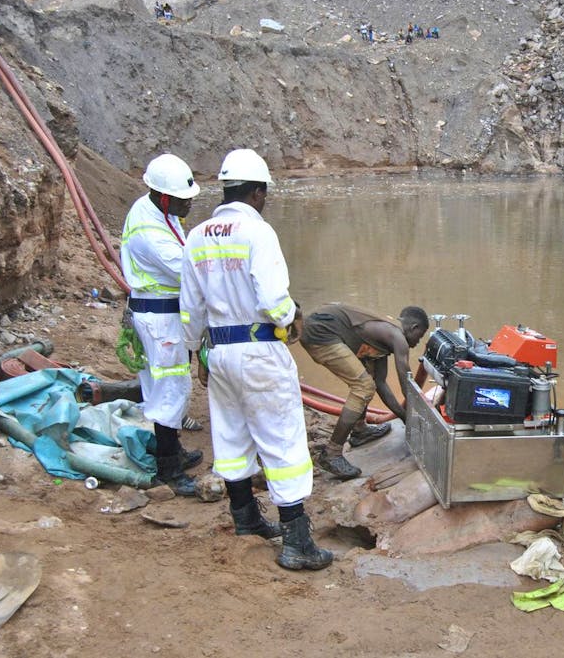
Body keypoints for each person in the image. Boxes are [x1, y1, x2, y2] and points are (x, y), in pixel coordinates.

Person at [180, 149, 332, 571]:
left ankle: (245, 518)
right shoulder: (257, 232)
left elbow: (190, 309)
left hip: (220, 351)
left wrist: (198, 354)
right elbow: (273, 301)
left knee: (231, 436)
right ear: (258, 191)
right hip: (258, 349)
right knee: (283, 439)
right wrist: (291, 316)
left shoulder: (197, 236)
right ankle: (297, 541)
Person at [121, 154, 202, 496]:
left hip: (160, 314)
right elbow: (191, 272)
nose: (190, 204)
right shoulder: (151, 233)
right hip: (159, 318)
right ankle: (169, 467)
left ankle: (172, 451)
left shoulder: (156, 211)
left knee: (164, 386)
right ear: (165, 197)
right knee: (171, 388)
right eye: (185, 200)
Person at [300, 303, 429, 480]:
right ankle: (332, 453)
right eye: (419, 336)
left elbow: (380, 383)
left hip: (320, 326)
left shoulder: (385, 337)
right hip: (319, 332)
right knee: (362, 386)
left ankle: (360, 431)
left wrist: (405, 417)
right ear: (414, 327)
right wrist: (419, 418)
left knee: (369, 380)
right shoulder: (397, 336)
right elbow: (407, 385)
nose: (417, 343)